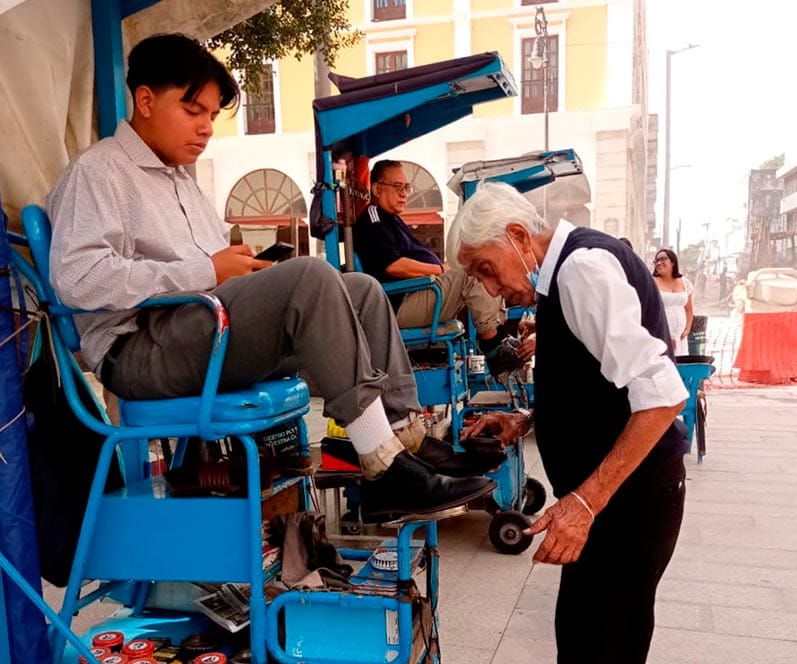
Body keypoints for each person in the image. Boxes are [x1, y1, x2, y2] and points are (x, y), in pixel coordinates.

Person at [46, 33, 496, 523]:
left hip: (200, 328)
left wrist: (246, 270)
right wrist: (208, 269)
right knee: (311, 277)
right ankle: (382, 465)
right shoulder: (98, 173)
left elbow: (215, 269)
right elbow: (78, 279)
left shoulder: (181, 180)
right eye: (193, 110)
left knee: (361, 290)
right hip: (139, 348)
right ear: (146, 100)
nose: (205, 129)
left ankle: (405, 440)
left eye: (212, 117)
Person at [449, 182, 689, 664]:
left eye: (487, 270)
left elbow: (662, 396)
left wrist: (583, 503)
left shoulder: (581, 269)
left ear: (517, 235)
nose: (491, 288)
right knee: (581, 637)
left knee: (605, 643)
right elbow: (601, 382)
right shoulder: (564, 271)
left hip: (628, 501)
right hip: (610, 503)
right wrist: (530, 418)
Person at [353, 160, 524, 377]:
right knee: (470, 272)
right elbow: (394, 266)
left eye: (406, 187)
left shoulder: (392, 219)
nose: (404, 193)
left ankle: (497, 337)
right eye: (397, 187)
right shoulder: (373, 218)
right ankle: (494, 348)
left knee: (473, 264)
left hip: (419, 293)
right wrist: (440, 270)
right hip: (400, 303)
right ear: (377, 189)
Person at [652, 248, 694, 355]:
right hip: (661, 337)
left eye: (663, 259)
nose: (659, 263)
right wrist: (664, 335)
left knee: (681, 368)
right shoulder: (652, 282)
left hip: (681, 338)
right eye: (656, 261)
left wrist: (687, 330)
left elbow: (688, 309)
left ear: (673, 262)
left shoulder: (685, 282)